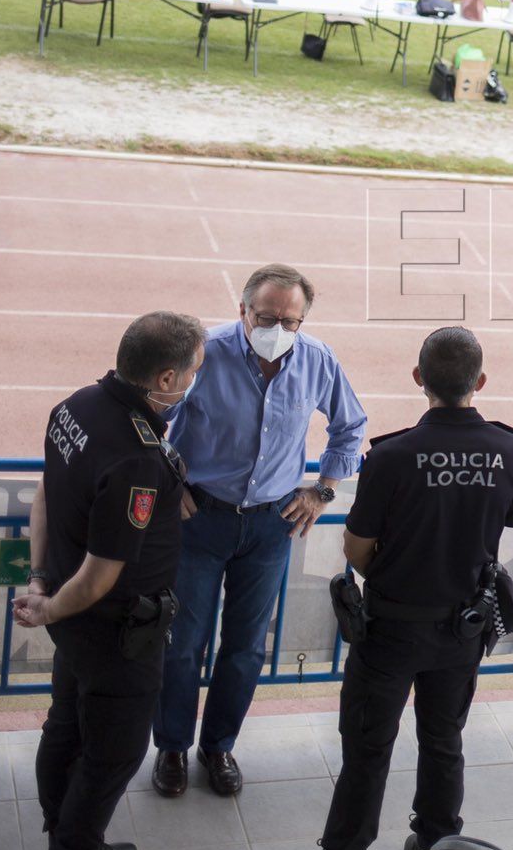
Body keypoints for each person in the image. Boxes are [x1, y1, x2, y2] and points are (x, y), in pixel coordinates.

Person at [281, 328, 513, 850]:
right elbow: (505, 527)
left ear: (418, 379)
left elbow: (359, 546)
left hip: (391, 630)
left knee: (367, 753)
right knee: (444, 744)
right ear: (481, 382)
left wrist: (395, 580)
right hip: (463, 631)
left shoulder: (390, 457)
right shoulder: (511, 452)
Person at [17, 311, 206, 850]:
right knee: (112, 756)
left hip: (73, 619)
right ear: (167, 375)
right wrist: (49, 601)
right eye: (193, 374)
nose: (192, 385)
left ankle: (71, 845)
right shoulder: (136, 458)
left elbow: (45, 493)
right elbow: (102, 573)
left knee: (67, 726)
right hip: (115, 630)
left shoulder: (76, 406)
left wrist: (41, 580)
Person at [151, 265, 367, 801]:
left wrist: (323, 489)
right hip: (200, 517)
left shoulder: (317, 359)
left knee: (246, 647)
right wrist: (168, 478)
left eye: (290, 320)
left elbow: (350, 426)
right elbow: (151, 415)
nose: (278, 328)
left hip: (271, 525)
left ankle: (218, 747)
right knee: (182, 645)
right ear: (242, 310)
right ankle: (172, 747)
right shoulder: (205, 353)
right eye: (267, 317)